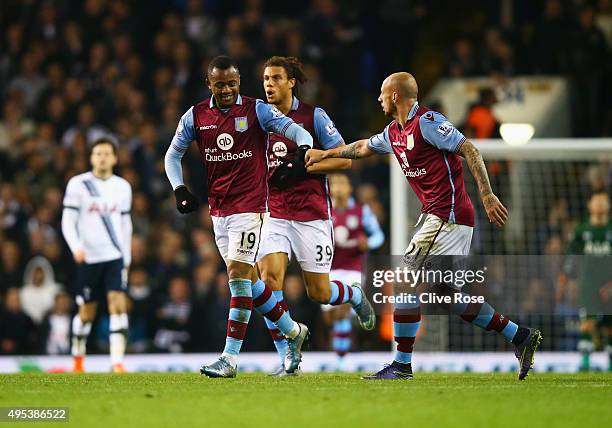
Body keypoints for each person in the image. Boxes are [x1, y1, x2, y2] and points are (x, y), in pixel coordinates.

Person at [306, 72, 541, 380]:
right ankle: (520, 335)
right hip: (444, 218)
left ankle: (402, 365)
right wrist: (326, 153)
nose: (377, 99)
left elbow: (469, 148)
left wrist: (485, 192)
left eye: (381, 93)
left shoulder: (428, 122)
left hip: (447, 215)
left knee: (403, 280)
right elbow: (362, 147)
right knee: (446, 294)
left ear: (394, 96)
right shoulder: (394, 132)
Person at [164, 55, 312, 378]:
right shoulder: (195, 116)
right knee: (251, 283)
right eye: (220, 85)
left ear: (239, 81)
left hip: (252, 206)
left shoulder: (257, 110)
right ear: (209, 84)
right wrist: (179, 188)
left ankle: (229, 359)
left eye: (232, 83)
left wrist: (301, 152)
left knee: (236, 276)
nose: (227, 89)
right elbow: (172, 154)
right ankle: (293, 330)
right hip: (219, 212)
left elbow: (296, 131)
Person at [256, 56, 377, 375]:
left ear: (291, 81)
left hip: (312, 216)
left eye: (276, 78)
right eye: (266, 79)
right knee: (269, 280)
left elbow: (345, 159)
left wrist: (304, 166)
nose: (269, 84)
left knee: (319, 292)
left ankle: (352, 294)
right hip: (275, 212)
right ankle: (288, 353)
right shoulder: (258, 118)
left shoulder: (313, 116)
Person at [61, 138, 133, 373]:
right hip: (88, 258)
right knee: (86, 313)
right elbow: (67, 221)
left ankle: (117, 362)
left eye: (106, 153)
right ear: (91, 158)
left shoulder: (122, 187)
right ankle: (78, 359)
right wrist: (75, 247)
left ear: (115, 158)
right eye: (98, 153)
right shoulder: (78, 184)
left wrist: (127, 259)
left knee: (118, 305)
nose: (102, 157)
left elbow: (125, 225)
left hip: (113, 256)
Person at [323, 173, 385, 369]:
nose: (338, 187)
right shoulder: (323, 210)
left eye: (342, 183)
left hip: (353, 268)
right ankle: (342, 351)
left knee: (342, 308)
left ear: (350, 188)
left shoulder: (361, 211)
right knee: (330, 316)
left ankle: (341, 358)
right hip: (328, 267)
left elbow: (378, 236)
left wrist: (368, 242)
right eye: (334, 183)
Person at [562, 191, 612, 371]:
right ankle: (585, 364)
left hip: (610, 286)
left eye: (603, 200)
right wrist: (565, 280)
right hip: (588, 285)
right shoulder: (582, 231)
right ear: (590, 205)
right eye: (596, 200)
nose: (599, 204)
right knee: (586, 324)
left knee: (609, 328)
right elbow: (571, 257)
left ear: (608, 206)